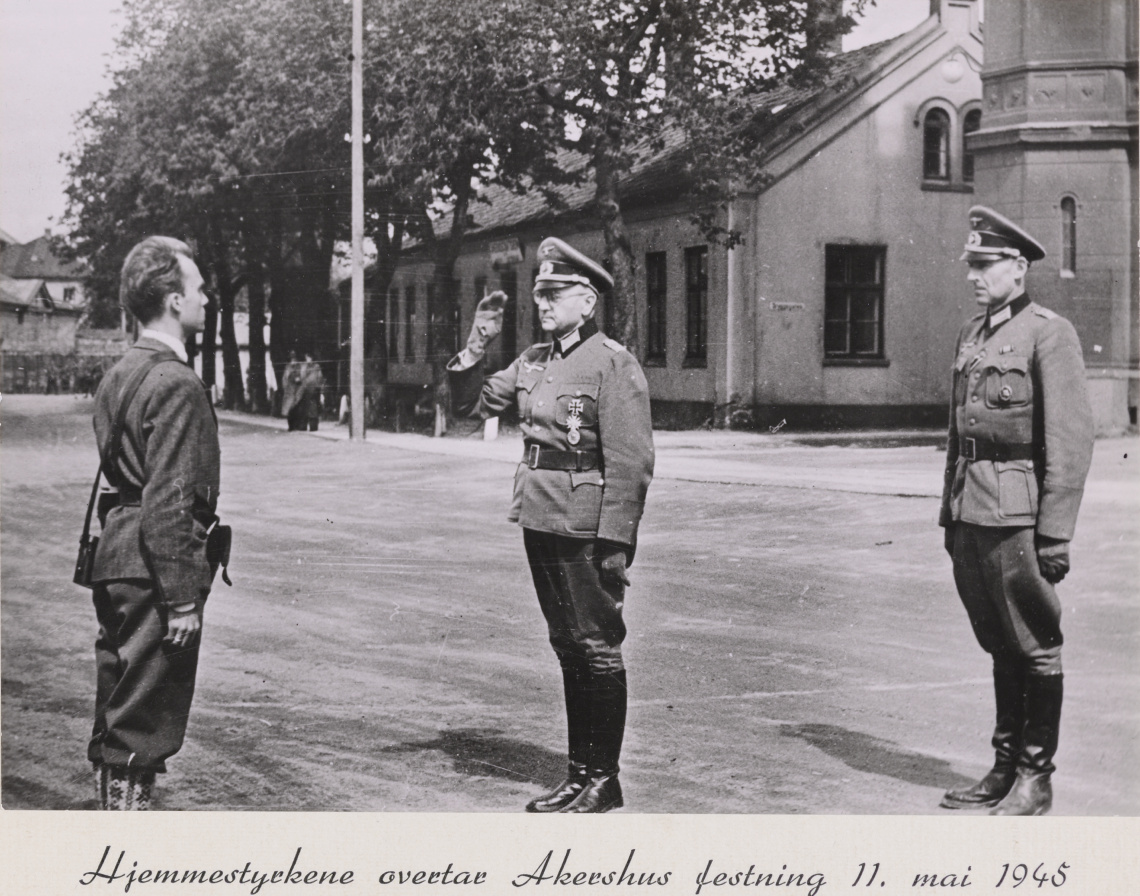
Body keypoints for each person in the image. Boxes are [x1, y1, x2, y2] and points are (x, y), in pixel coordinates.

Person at [448, 237, 654, 813]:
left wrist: (617, 541)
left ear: (586, 301)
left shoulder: (613, 362)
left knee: (596, 646)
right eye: (539, 294)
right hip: (539, 516)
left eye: (555, 294)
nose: (543, 303)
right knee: (567, 645)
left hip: (587, 525)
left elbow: (631, 462)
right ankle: (578, 773)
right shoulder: (534, 360)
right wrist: (477, 343)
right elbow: (472, 407)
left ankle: (604, 780)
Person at [938, 207, 1095, 816]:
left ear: (1019, 267)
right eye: (971, 265)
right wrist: (947, 513)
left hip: (1017, 515)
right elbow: (957, 435)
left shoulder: (1049, 333)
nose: (974, 276)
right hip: (971, 510)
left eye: (985, 264)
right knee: (1000, 640)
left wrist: (1054, 532)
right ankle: (1003, 768)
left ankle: (1036, 775)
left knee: (1034, 642)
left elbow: (1070, 439)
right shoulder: (971, 336)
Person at [88, 236, 221, 809]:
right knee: (141, 720)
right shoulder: (176, 382)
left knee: (119, 704)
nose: (207, 299)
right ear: (172, 299)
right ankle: (128, 854)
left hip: (116, 557)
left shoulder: (120, 373)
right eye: (198, 288)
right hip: (152, 568)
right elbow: (169, 498)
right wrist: (183, 599)